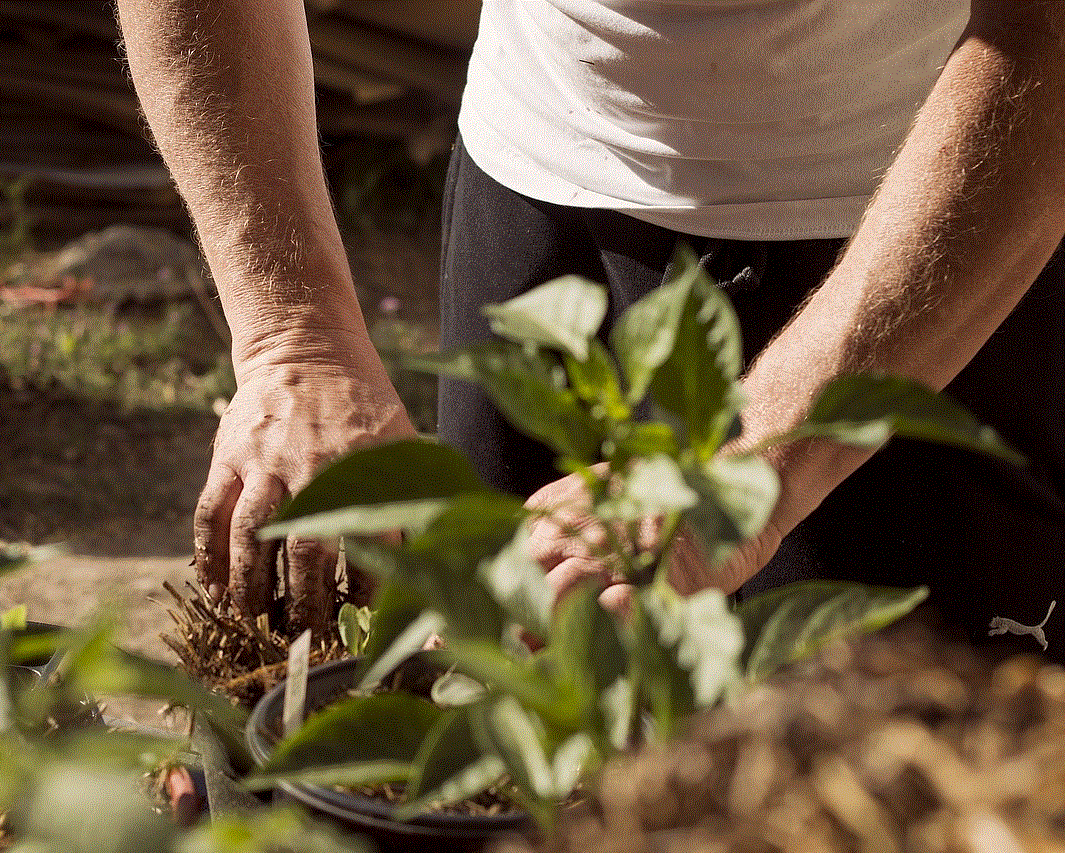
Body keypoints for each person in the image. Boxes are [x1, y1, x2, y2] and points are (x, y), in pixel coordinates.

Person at [116, 1, 1065, 658]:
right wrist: (295, 336)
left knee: (861, 793)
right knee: (510, 746)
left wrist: (747, 465)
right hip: (534, 192)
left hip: (917, 238)